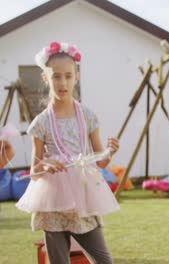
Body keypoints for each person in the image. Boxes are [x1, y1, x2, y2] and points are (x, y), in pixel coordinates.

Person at [16, 41, 120, 264]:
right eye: (56, 76)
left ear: (76, 77)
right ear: (45, 78)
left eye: (68, 76)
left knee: (103, 260)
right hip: (52, 202)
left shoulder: (89, 117)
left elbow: (100, 161)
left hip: (83, 199)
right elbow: (34, 172)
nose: (62, 82)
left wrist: (109, 152)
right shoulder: (41, 123)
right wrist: (45, 165)